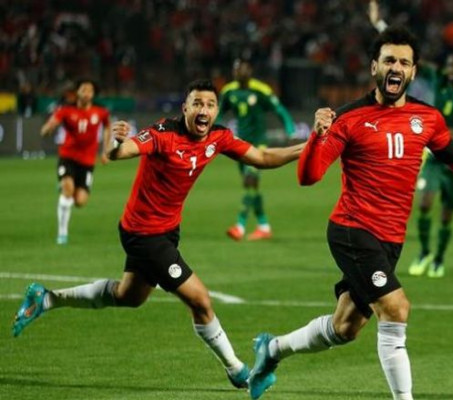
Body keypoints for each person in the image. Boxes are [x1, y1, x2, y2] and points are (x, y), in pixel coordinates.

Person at [246, 26, 453, 400]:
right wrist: (317, 135)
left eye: (404, 62)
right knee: (395, 308)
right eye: (389, 60)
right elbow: (308, 177)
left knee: (345, 327)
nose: (397, 67)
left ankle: (272, 350)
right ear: (374, 67)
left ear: (413, 72)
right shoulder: (348, 118)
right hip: (352, 229)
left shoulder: (427, 118)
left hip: (390, 240)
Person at [12, 79, 305, 390]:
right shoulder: (163, 134)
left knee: (129, 296)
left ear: (217, 111)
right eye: (197, 103)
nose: (203, 110)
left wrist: (307, 147)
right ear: (185, 108)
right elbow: (123, 151)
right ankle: (239, 372)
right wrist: (114, 144)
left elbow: (263, 158)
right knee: (200, 300)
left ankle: (46, 299)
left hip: (166, 232)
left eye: (210, 105)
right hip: (144, 233)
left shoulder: (218, 137)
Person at [368, 0, 453, 277]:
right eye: (449, 65)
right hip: (434, 157)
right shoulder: (439, 79)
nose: (451, 68)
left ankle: (439, 258)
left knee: (447, 213)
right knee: (424, 204)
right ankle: (424, 252)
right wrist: (378, 24)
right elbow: (405, 53)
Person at [219, 57, 296, 241]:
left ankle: (240, 225)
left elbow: (279, 109)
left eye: (244, 68)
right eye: (238, 68)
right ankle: (263, 225)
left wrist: (290, 128)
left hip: (258, 143)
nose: (241, 72)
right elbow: (219, 114)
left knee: (250, 179)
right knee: (251, 187)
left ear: (250, 71)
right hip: (239, 145)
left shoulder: (261, 90)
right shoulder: (228, 91)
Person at [40, 79, 112, 245]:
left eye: (90, 90)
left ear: (93, 94)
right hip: (68, 157)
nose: (86, 93)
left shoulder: (101, 112)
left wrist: (106, 150)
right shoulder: (66, 110)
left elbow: (108, 127)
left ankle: (64, 185)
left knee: (80, 201)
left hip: (87, 162)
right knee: (68, 190)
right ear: (77, 92)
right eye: (83, 89)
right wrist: (47, 129)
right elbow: (50, 125)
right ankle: (62, 234)